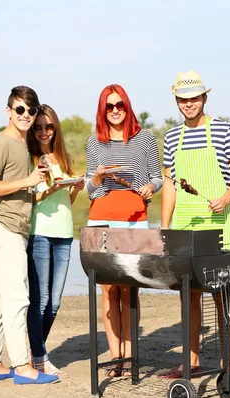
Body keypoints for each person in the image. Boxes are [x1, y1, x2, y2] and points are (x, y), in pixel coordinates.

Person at [160, 71, 230, 378]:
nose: (189, 104)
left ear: (204, 98)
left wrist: (226, 198)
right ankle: (192, 359)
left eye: (194, 98)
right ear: (177, 101)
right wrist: (165, 226)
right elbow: (170, 184)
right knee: (189, 296)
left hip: (218, 224)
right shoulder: (172, 137)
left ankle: (228, 363)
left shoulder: (226, 131)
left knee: (223, 297)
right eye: (183, 100)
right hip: (184, 225)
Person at [0, 86, 59, 385]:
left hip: (12, 230)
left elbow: (19, 187)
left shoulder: (22, 145)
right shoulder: (2, 143)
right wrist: (26, 179)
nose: (26, 115)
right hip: (6, 229)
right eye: (20, 110)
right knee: (18, 299)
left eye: (31, 110)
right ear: (9, 111)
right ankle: (23, 367)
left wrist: (38, 178)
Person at [85, 84, 163, 377]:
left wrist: (149, 186)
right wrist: (95, 177)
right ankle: (115, 357)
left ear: (127, 107)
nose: (115, 110)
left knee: (130, 290)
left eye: (120, 105)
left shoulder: (145, 139)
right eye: (109, 106)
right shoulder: (95, 143)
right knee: (108, 291)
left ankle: (131, 356)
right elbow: (92, 192)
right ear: (102, 110)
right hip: (101, 220)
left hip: (134, 220)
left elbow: (158, 177)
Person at [26, 104, 85, 378]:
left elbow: (68, 201)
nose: (43, 132)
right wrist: (50, 188)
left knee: (55, 302)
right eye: (38, 127)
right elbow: (31, 200)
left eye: (48, 127)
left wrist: (75, 188)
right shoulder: (30, 159)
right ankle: (39, 356)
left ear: (55, 128)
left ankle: (33, 350)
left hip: (64, 234)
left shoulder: (64, 157)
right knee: (41, 300)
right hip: (39, 232)